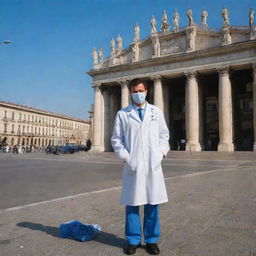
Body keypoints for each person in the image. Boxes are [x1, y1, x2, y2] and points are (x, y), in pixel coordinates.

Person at [111, 78, 170, 255]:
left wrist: (159, 154)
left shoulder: (156, 112)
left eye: (141, 90)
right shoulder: (123, 114)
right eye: (135, 91)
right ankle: (133, 240)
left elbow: (164, 136)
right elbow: (116, 140)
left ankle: (151, 240)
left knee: (152, 204)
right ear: (130, 93)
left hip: (153, 165)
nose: (138, 94)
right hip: (133, 166)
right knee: (132, 204)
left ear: (147, 91)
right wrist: (127, 158)